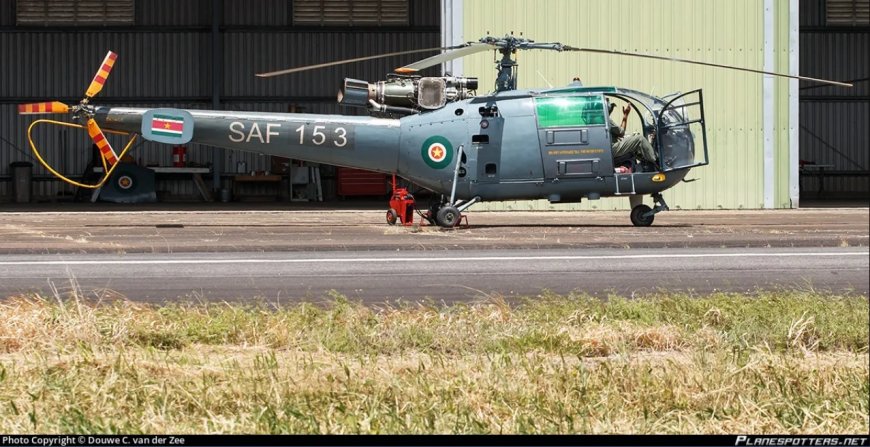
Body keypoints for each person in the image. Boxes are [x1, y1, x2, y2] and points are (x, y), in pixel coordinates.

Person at [607, 100, 658, 169]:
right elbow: (621, 133)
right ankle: (655, 163)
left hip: (608, 148)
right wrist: (626, 115)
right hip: (612, 149)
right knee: (639, 139)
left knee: (632, 137)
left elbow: (619, 132)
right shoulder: (606, 120)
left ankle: (644, 162)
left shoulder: (598, 119)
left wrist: (625, 116)